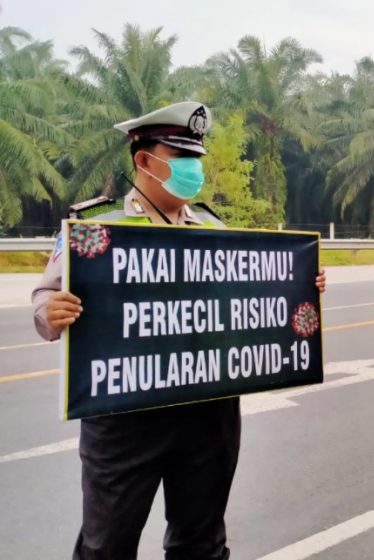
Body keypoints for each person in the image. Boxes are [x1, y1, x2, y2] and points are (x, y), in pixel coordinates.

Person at [31, 101, 327, 560]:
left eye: (196, 159)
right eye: (180, 156)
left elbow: (246, 296)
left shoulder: (213, 225)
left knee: (202, 542)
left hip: (208, 412)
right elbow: (43, 299)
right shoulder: (95, 226)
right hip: (125, 415)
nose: (193, 169)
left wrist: (297, 284)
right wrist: (50, 312)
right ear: (144, 160)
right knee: (106, 544)